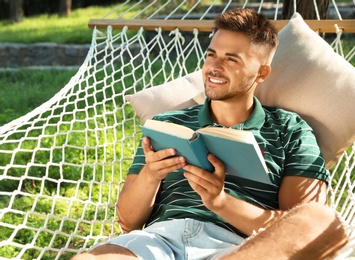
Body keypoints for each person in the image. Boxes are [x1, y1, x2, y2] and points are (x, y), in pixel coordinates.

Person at [72, 8, 347, 260]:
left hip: (239, 247)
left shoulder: (290, 130)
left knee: (319, 220)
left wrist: (221, 202)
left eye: (231, 59)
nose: (214, 67)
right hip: (158, 242)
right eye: (212, 54)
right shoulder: (168, 123)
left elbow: (298, 224)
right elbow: (127, 221)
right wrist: (151, 174)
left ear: (262, 73)